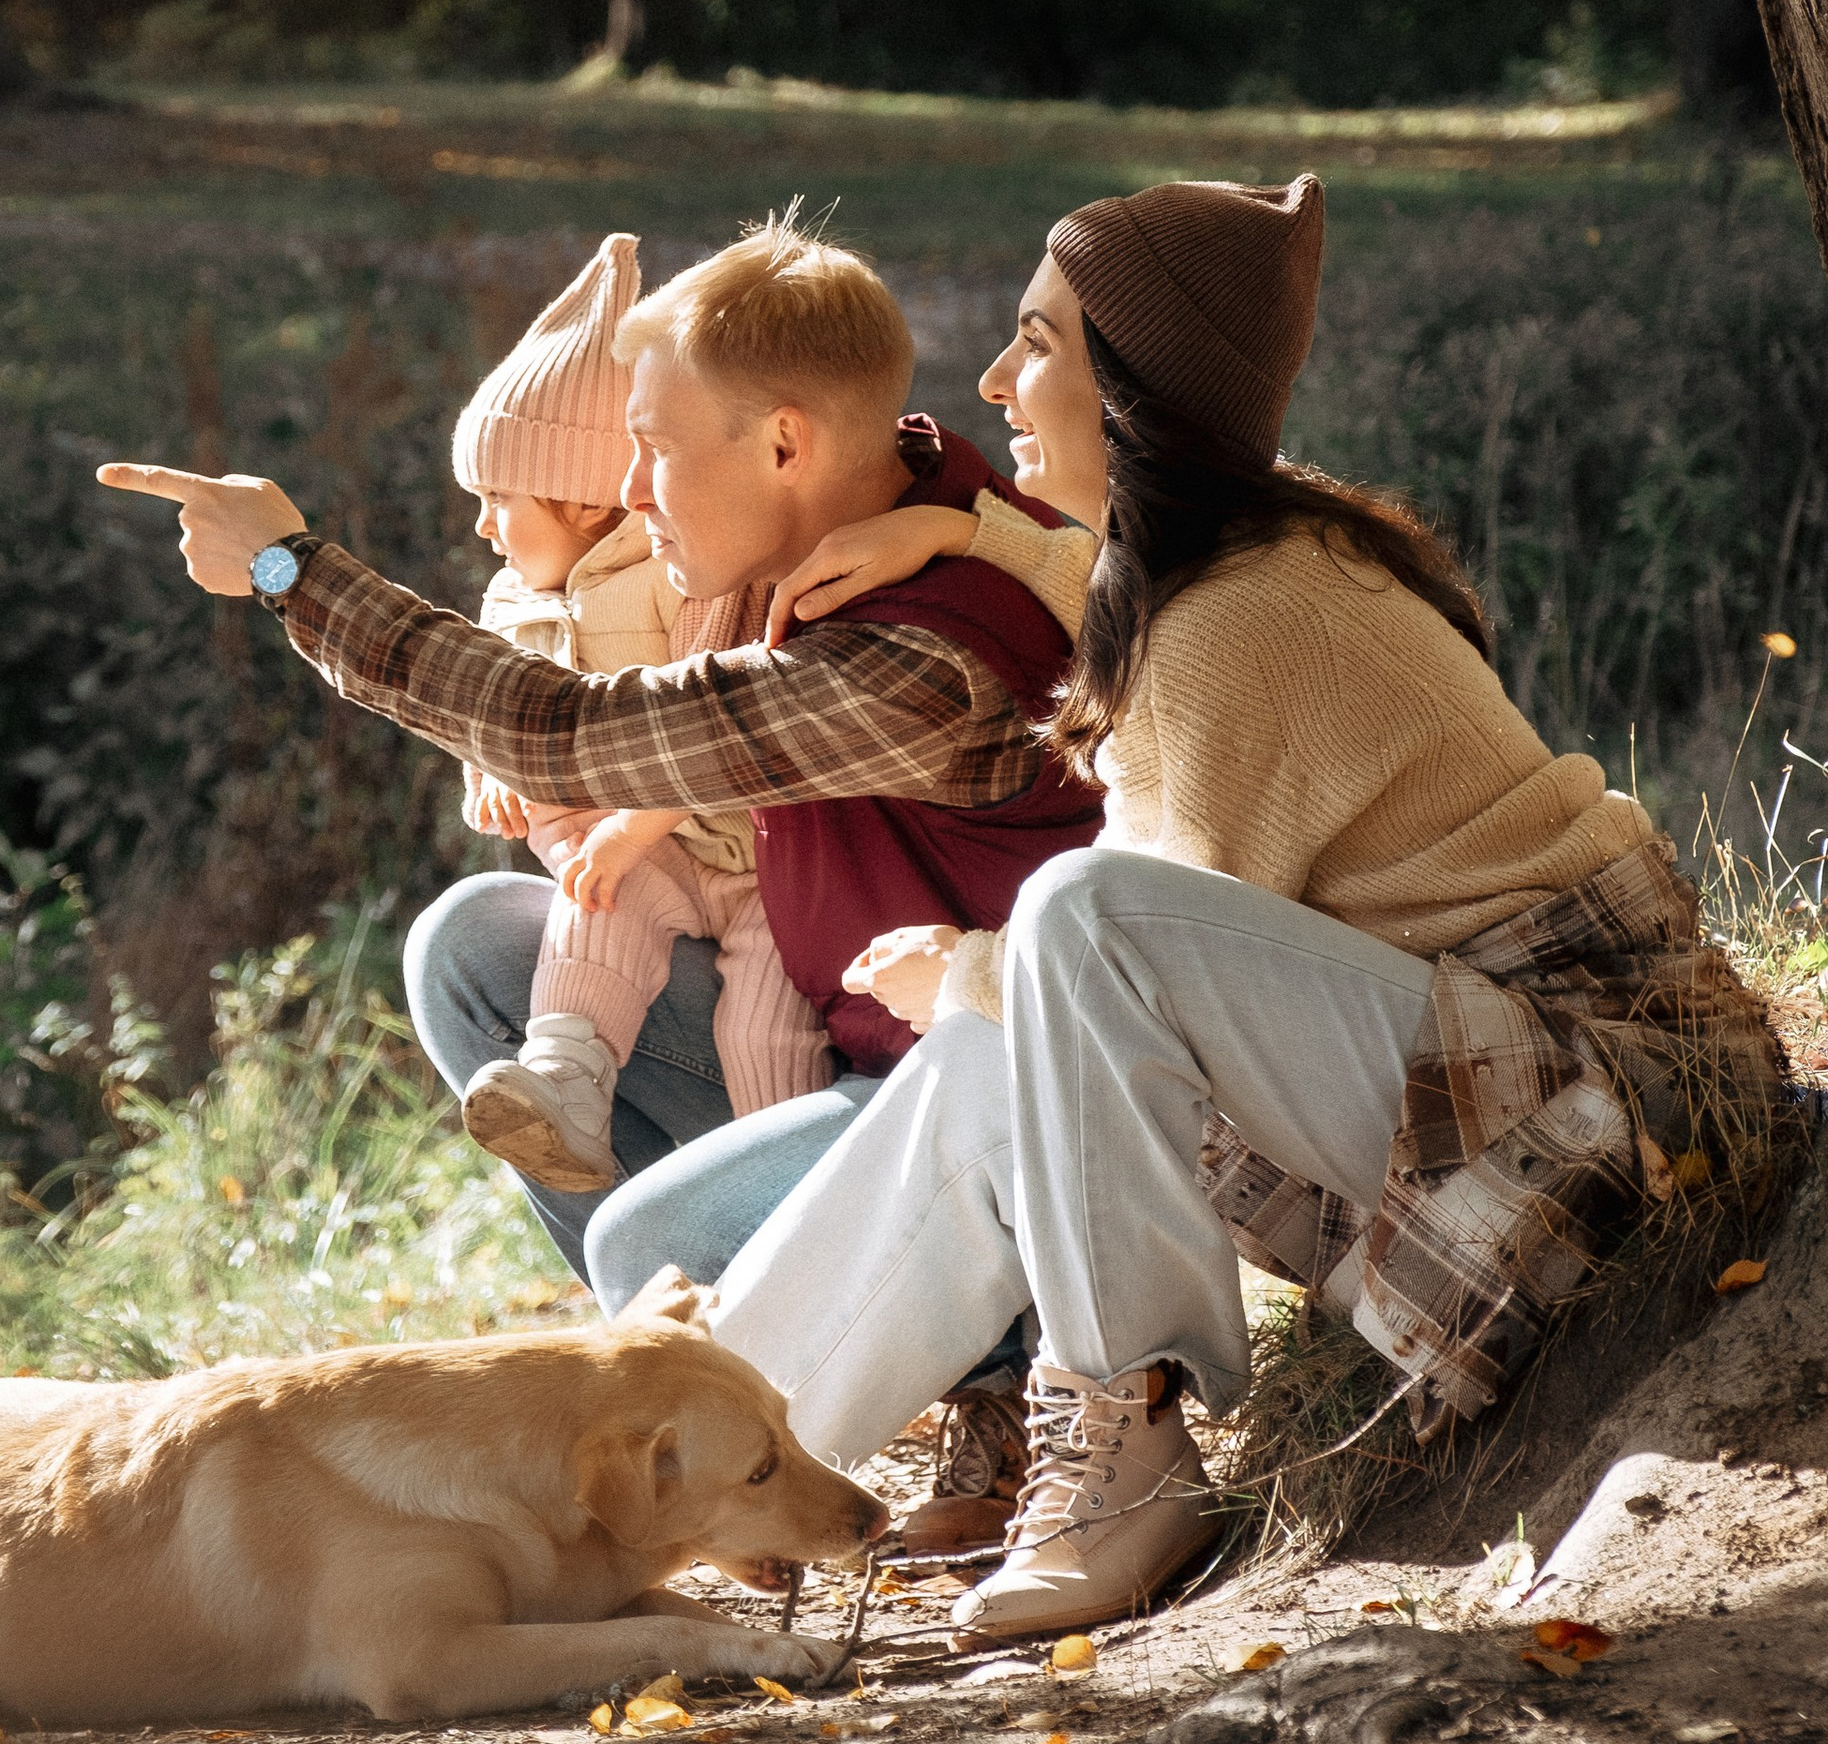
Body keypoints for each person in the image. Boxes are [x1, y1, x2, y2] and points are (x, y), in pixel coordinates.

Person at [700, 171, 1794, 1637]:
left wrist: (967, 969)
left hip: (1590, 1111)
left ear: (1135, 396)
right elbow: (1142, 970)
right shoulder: (1225, 569)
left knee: (1069, 934)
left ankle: (1130, 1441)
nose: (992, 381)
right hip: (1469, 1086)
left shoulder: (1239, 615)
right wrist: (970, 542)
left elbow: (1138, 949)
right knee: (995, 1044)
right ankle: (695, 1465)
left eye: (1036, 345)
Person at [97, 214, 1103, 1549]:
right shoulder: (866, 512)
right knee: (475, 950)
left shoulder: (916, 656)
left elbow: (567, 731)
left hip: (988, 1096)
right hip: (843, 1039)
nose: (629, 495)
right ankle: (812, 1397)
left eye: (658, 450)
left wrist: (293, 570)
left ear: (787, 443)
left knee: (644, 1256)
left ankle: (986, 1389)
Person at [444, 230, 830, 1194]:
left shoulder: (669, 576)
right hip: (645, 856)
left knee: (765, 1019)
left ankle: (791, 1175)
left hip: (753, 852)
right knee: (595, 913)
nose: (484, 526)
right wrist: (487, 770)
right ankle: (567, 1082)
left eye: (501, 499)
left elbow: (716, 721)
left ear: (581, 502)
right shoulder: (512, 600)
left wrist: (626, 828)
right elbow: (487, 704)